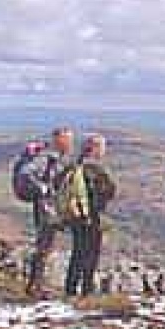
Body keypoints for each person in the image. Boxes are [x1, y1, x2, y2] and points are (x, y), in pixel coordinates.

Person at [25, 127, 76, 299]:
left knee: (46, 246)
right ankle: (35, 286)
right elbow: (27, 174)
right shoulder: (47, 157)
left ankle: (37, 285)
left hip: (50, 207)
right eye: (67, 140)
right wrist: (44, 190)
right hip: (46, 207)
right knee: (43, 246)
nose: (70, 144)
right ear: (59, 140)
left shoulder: (56, 157)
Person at [65, 134, 116, 296]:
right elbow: (106, 192)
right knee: (90, 255)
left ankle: (71, 289)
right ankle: (86, 291)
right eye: (101, 147)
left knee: (77, 253)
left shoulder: (76, 166)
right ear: (94, 149)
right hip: (90, 217)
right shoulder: (94, 169)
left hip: (76, 216)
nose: (103, 151)